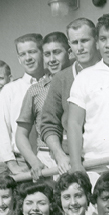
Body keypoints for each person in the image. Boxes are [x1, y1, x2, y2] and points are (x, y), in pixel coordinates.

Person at [68, 13, 109, 185]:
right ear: (97, 42)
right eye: (103, 39)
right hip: (97, 165)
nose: (108, 45)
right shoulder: (85, 77)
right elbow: (74, 123)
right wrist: (75, 164)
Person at [40, 18, 100, 176]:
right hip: (73, 160)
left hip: (107, 154)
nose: (79, 48)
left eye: (85, 41)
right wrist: (60, 156)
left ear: (96, 39)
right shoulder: (62, 79)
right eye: (74, 43)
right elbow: (48, 123)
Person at [15, 32, 71, 180]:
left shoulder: (78, 80)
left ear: (69, 52)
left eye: (57, 53)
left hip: (77, 151)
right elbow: (21, 134)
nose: (52, 59)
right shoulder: (36, 90)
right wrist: (35, 162)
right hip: (47, 158)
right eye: (47, 54)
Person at [0, 33, 45, 175]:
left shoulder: (53, 84)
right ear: (19, 59)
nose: (27, 58)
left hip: (50, 156)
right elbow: (1, 130)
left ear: (42, 52)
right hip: (21, 163)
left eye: (32, 52)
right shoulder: (10, 90)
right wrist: (12, 165)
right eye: (22, 54)